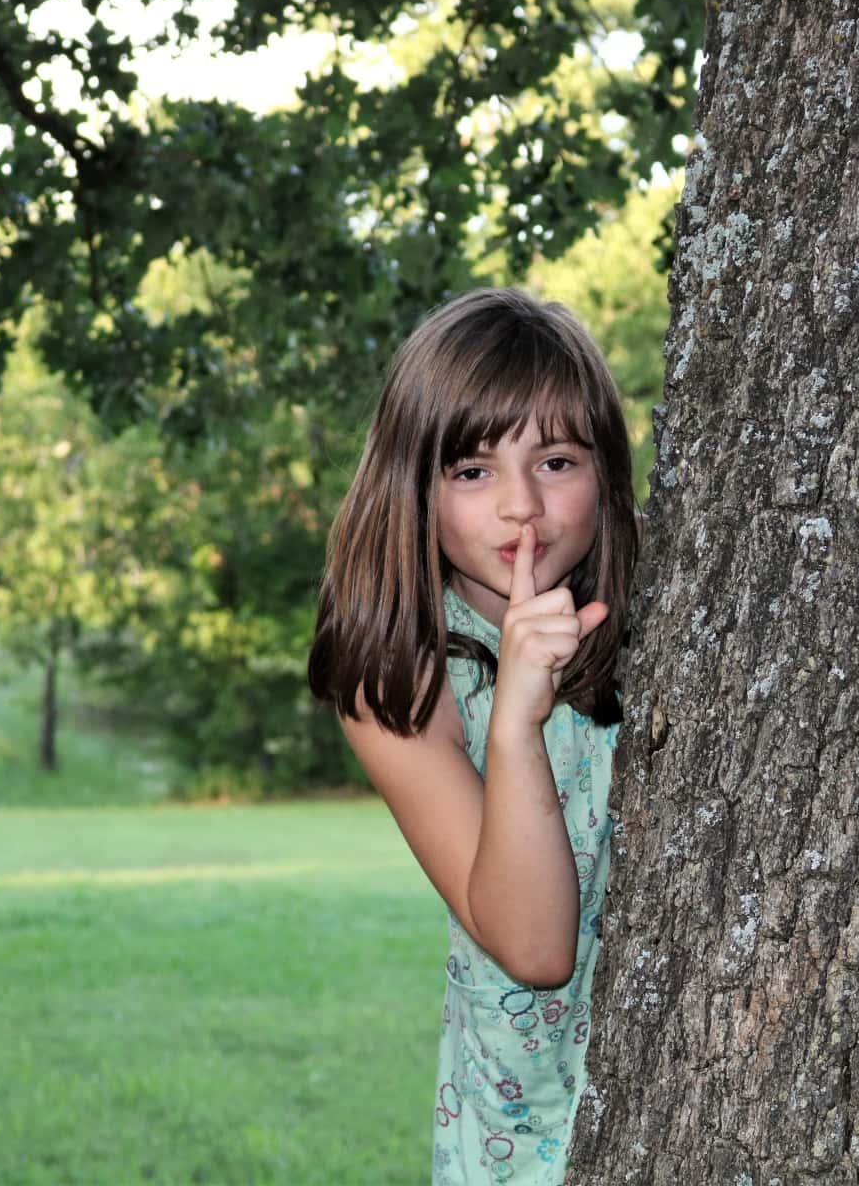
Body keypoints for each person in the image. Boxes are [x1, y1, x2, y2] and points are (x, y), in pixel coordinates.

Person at [309, 287, 637, 1184]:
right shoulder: (400, 685)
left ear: (606, 471)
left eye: (557, 461)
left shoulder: (664, 606)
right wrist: (517, 724)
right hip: (523, 1129)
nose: (521, 506)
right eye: (473, 471)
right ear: (414, 485)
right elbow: (535, 950)